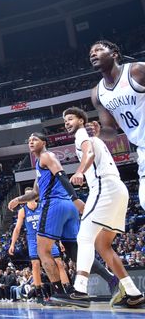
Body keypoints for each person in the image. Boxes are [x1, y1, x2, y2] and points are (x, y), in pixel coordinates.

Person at [60, 107, 144, 308]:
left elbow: (88, 153)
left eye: (70, 119)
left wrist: (79, 172)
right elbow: (93, 149)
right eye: (65, 122)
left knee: (84, 237)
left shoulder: (82, 135)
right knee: (102, 244)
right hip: (118, 190)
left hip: (104, 187)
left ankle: (79, 290)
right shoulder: (92, 137)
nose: (67, 123)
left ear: (81, 120)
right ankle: (133, 293)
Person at [8, 133, 84, 306]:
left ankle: (60, 293)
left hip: (56, 204)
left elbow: (62, 175)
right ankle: (95, 284)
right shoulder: (39, 164)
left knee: (44, 253)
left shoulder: (47, 156)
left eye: (34, 139)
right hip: (66, 206)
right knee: (74, 252)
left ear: (44, 142)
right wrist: (18, 199)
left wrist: (76, 198)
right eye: (29, 140)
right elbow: (35, 193)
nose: (31, 142)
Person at [88, 40, 145, 211]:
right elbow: (111, 132)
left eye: (98, 49)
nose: (93, 54)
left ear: (114, 54)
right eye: (91, 52)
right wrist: (99, 132)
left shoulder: (137, 70)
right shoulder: (97, 93)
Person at [7, 187, 70, 302]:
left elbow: (53, 224)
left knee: (59, 263)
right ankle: (39, 293)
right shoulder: (23, 211)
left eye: (30, 195)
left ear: (34, 196)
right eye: (26, 196)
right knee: (35, 265)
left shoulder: (43, 206)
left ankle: (67, 289)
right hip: (33, 240)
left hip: (46, 237)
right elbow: (17, 229)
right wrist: (12, 244)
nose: (28, 198)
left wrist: (59, 241)